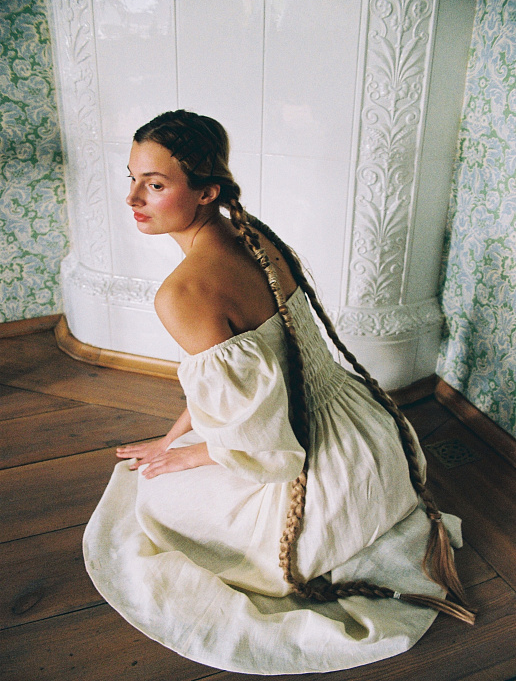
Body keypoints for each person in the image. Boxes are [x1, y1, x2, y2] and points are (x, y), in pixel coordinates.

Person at [83, 109, 474, 675]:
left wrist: (191, 455)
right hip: (372, 437)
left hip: (313, 465)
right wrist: (170, 439)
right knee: (166, 466)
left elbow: (261, 438)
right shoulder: (254, 235)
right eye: (132, 177)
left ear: (206, 192)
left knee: (154, 498)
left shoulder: (183, 293)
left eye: (156, 184)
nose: (133, 198)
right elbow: (244, 384)